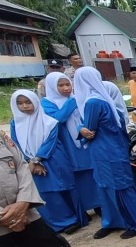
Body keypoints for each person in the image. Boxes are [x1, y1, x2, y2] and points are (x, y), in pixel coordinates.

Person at [74, 66, 136, 239]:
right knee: (106, 186)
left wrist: (80, 128)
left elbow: (89, 130)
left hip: (106, 152)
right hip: (109, 150)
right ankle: (113, 221)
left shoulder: (93, 102)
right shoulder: (104, 98)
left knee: (121, 186)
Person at [9, 91, 87, 234]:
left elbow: (50, 142)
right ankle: (57, 223)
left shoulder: (48, 121)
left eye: (28, 102)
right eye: (19, 103)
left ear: (35, 102)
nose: (24, 106)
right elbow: (16, 144)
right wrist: (30, 160)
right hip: (32, 164)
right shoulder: (15, 123)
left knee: (63, 187)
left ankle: (74, 219)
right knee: (45, 193)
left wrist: (38, 159)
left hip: (53, 159)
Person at [41, 73, 101, 217]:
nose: (66, 88)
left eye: (68, 84)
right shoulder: (47, 102)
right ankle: (83, 208)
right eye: (60, 85)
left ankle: (99, 204)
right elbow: (58, 118)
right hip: (67, 144)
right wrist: (73, 101)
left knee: (92, 173)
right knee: (76, 176)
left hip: (83, 140)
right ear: (51, 87)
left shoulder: (80, 98)